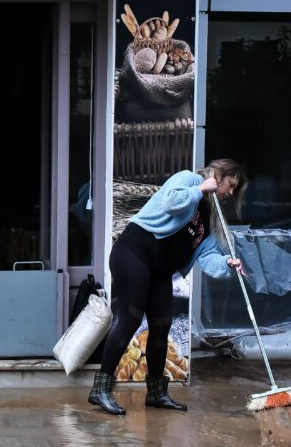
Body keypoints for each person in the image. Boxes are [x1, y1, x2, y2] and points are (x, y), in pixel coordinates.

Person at [89, 159, 247, 415]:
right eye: (231, 185)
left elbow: (206, 256)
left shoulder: (210, 218)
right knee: (130, 320)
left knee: (162, 326)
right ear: (218, 175)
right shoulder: (188, 180)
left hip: (159, 271)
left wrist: (227, 262)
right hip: (133, 255)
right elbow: (170, 203)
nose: (230, 193)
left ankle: (156, 393)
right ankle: (101, 388)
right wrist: (200, 189)